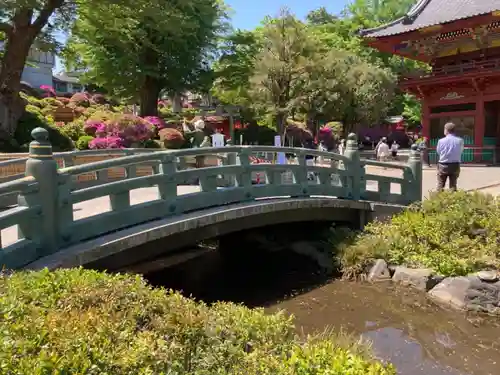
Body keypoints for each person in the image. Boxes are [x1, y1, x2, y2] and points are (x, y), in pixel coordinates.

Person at [436, 122, 464, 191]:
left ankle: (438, 199)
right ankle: (453, 199)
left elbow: (438, 152)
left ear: (446, 130)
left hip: (443, 165)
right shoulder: (460, 140)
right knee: (453, 185)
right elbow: (460, 151)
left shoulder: (441, 141)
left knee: (440, 184)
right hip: (455, 165)